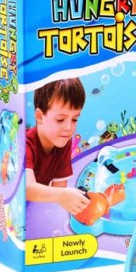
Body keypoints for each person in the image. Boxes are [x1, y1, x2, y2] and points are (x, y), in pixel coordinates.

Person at [26, 78, 90, 216]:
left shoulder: (63, 142)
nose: (68, 127)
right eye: (60, 120)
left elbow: (60, 189)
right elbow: (27, 188)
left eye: (74, 119)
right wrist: (62, 196)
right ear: (39, 116)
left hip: (34, 212)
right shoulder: (25, 145)